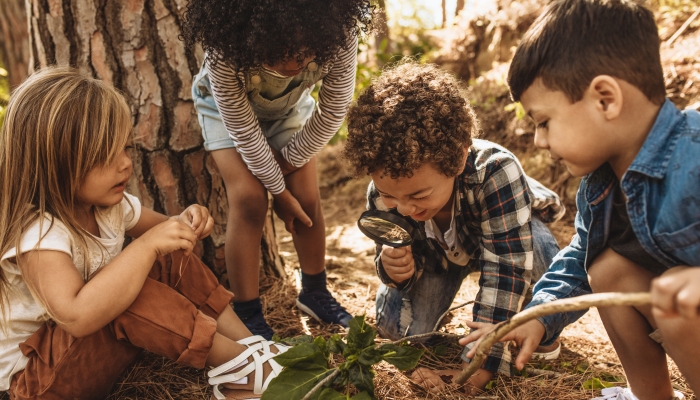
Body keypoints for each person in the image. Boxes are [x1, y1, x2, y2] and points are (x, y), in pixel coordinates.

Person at [0, 67, 288, 400]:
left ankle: (249, 348)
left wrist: (186, 221)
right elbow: (77, 317)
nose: (125, 165)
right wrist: (146, 247)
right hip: (34, 383)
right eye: (106, 157)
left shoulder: (110, 207)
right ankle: (241, 365)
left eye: (125, 149)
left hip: (84, 356)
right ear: (55, 165)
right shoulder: (39, 235)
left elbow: (169, 235)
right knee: (127, 291)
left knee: (164, 262)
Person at [460, 1, 700, 399]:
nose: (539, 140)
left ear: (605, 99)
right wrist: (537, 317)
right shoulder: (599, 186)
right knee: (606, 270)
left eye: (544, 122)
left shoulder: (693, 153)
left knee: (675, 292)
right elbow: (577, 260)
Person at [342, 60, 565, 394]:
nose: (404, 208)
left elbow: (506, 267)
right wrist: (395, 271)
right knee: (397, 329)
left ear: (458, 158)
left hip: (504, 237)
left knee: (542, 251)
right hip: (438, 258)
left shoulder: (496, 171)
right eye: (390, 195)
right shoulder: (384, 192)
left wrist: (480, 363)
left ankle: (539, 327)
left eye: (418, 194)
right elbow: (388, 254)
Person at [180, 0, 374, 339]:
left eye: (304, 52)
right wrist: (278, 192)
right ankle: (248, 312)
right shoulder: (225, 50)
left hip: (289, 110)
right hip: (225, 113)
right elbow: (242, 130)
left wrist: (285, 168)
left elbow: (332, 111)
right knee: (250, 199)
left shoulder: (339, 32)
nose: (293, 63)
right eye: (278, 52)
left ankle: (315, 292)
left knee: (307, 197)